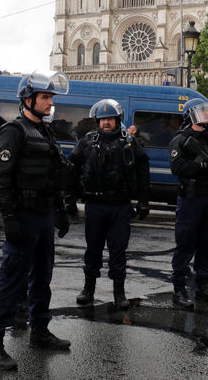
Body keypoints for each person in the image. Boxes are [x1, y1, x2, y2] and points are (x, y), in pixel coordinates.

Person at [0, 72, 72, 370]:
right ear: (28, 100)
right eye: (45, 97)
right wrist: (8, 218)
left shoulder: (46, 132)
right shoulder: (14, 131)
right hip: (22, 216)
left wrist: (60, 209)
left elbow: (52, 175)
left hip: (44, 216)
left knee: (43, 277)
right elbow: (0, 180)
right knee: (11, 281)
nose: (50, 102)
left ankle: (40, 332)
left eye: (50, 97)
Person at [68, 99, 150, 310]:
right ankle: (88, 289)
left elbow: (142, 169)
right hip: (95, 204)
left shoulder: (129, 142)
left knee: (118, 251)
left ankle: (119, 293)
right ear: (97, 120)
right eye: (102, 119)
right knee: (93, 250)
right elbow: (72, 167)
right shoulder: (87, 141)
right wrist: (70, 198)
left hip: (120, 205)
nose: (106, 122)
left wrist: (143, 200)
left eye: (110, 118)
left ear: (117, 120)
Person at [168, 98, 208, 308]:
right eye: (201, 113)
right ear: (191, 116)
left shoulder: (207, 141)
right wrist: (199, 165)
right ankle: (179, 290)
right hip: (190, 199)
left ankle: (203, 287)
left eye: (207, 113)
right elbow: (177, 167)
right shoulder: (181, 139)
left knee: (206, 244)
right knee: (186, 243)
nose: (206, 118)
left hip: (207, 198)